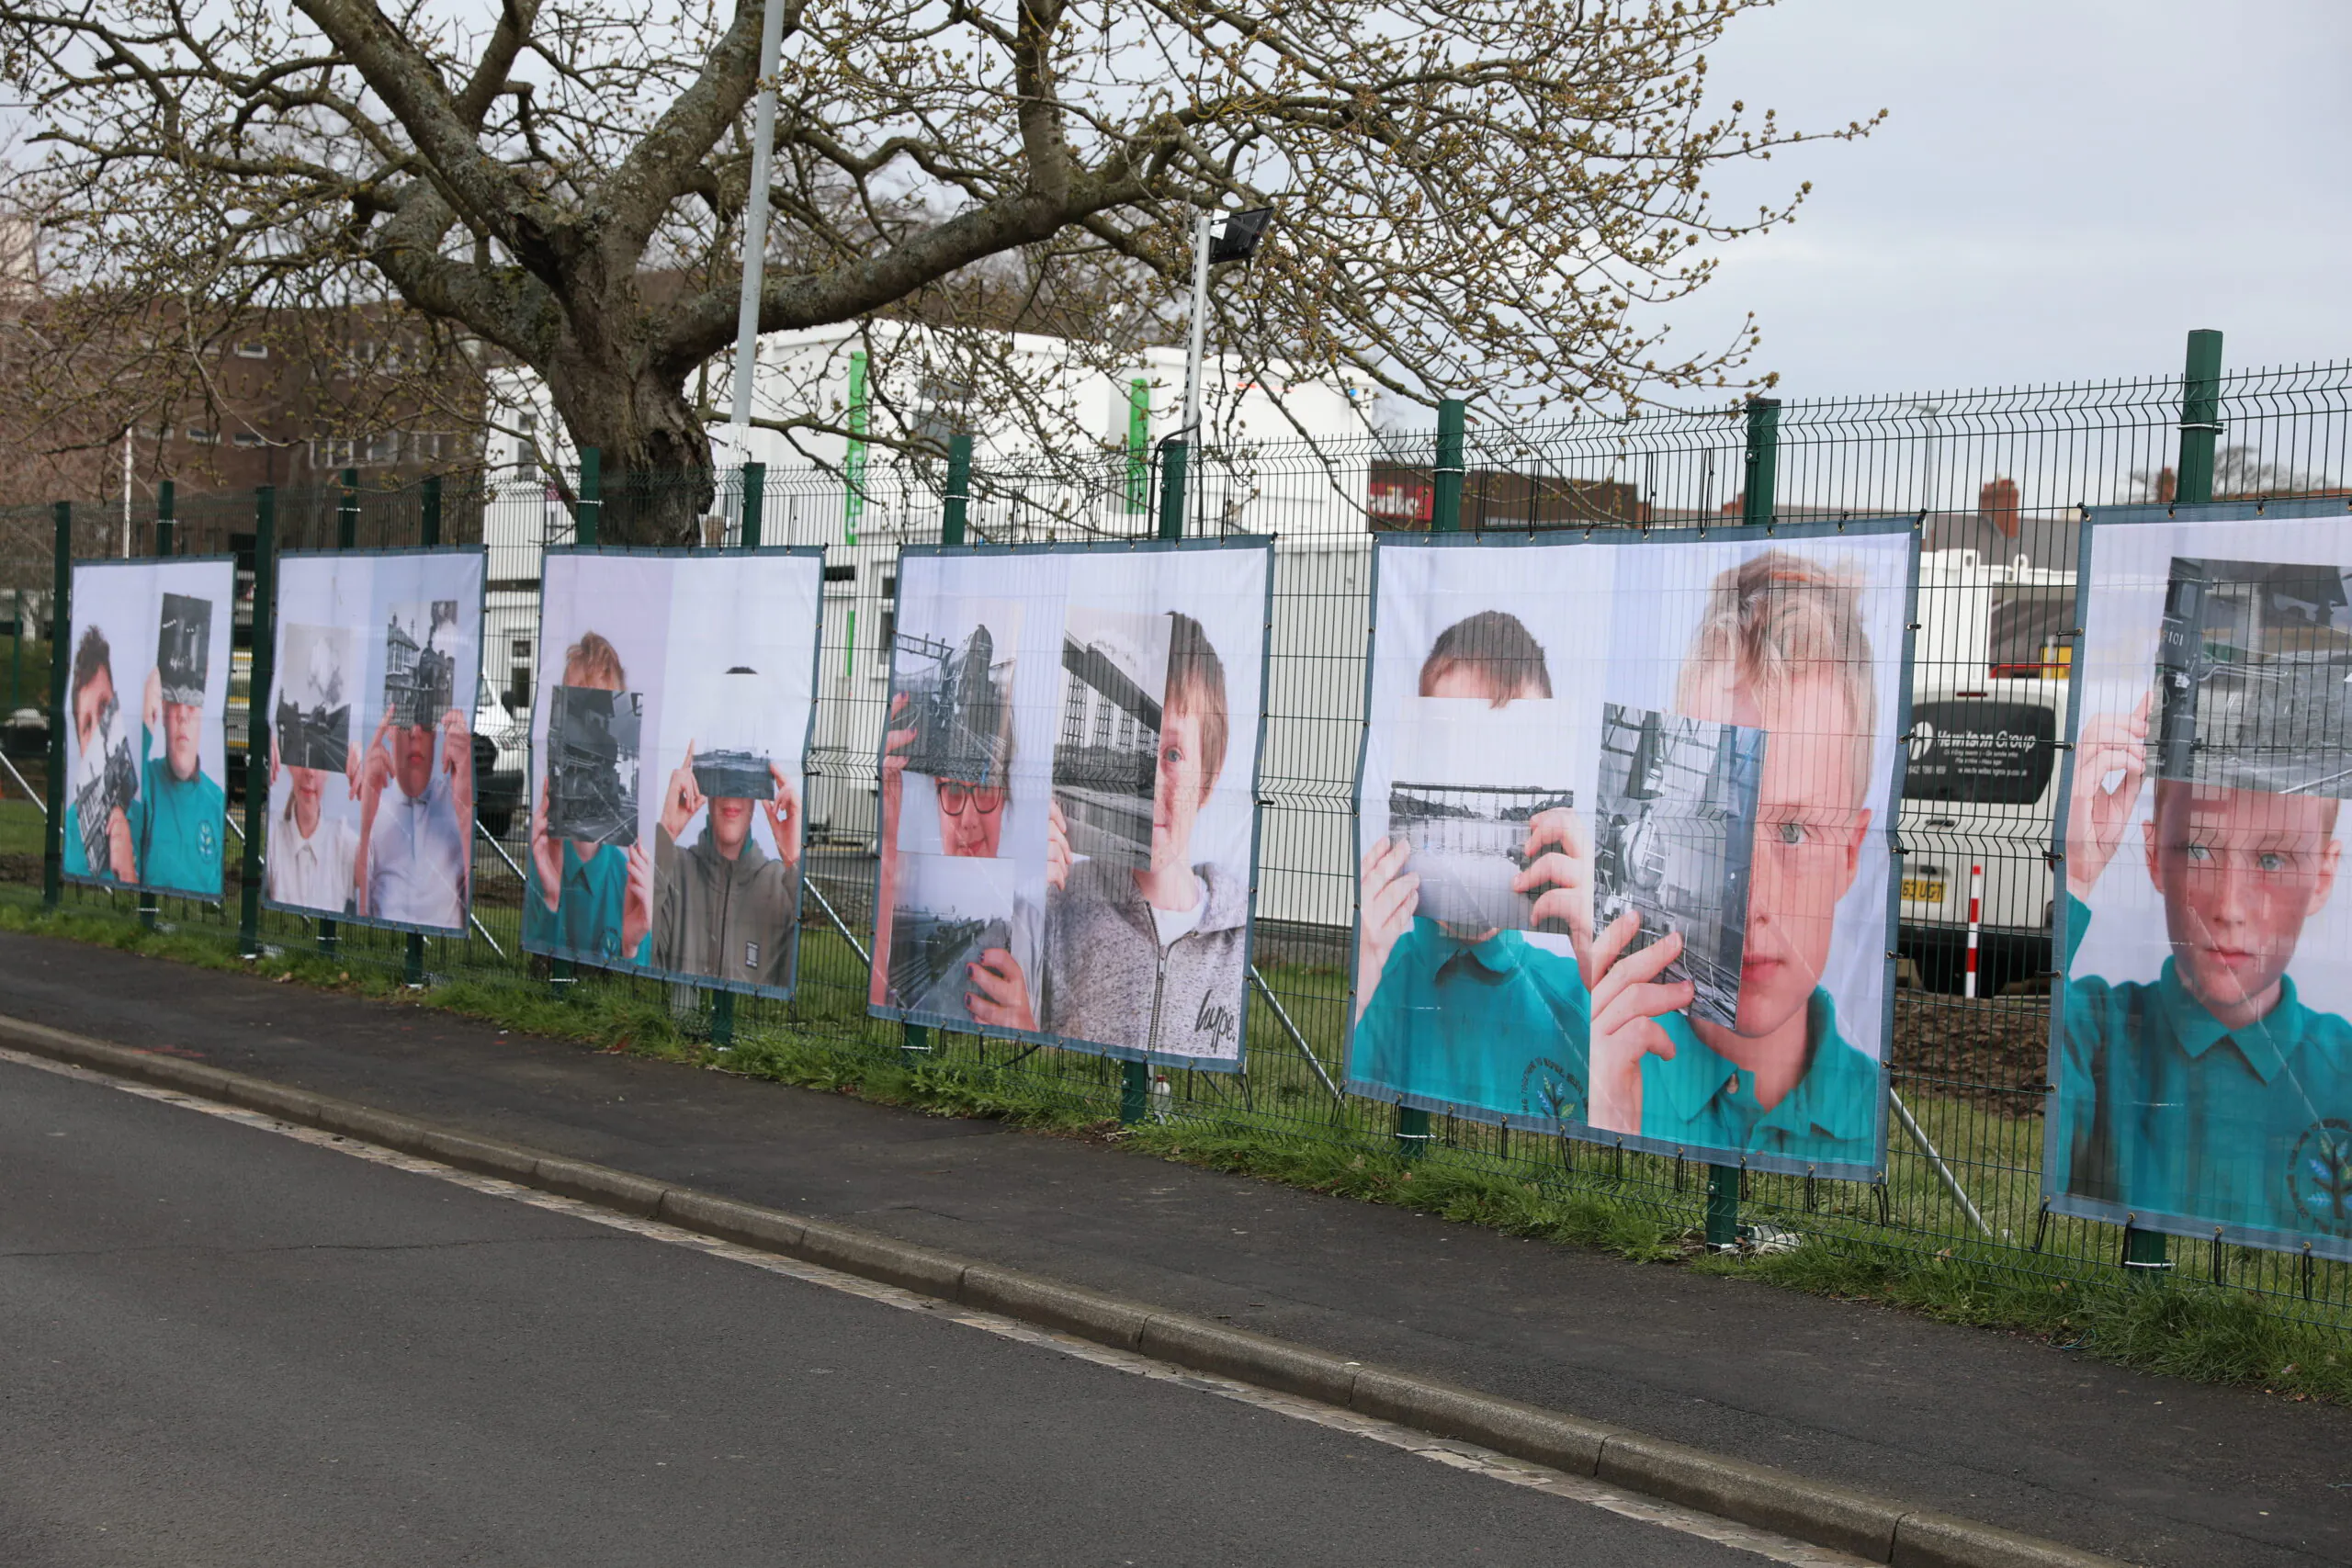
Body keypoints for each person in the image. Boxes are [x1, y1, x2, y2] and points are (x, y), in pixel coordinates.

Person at [1571, 550, 1884, 1165]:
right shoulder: (1573, 1048)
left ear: (1850, 853)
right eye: (1718, 827)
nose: (1753, 901)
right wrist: (1609, 1119)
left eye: (1793, 832)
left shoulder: (1872, 1111)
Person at [2052, 686, 2352, 1237]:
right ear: (2153, 856)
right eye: (2198, 849)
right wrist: (2073, 874)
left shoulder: (2346, 1071)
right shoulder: (2089, 1031)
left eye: (2272, 858)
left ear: (2324, 875)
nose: (2230, 908)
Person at [1351, 611, 1593, 1116]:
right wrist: (1365, 975)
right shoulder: (1376, 982)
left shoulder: (1579, 997)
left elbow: (1637, 1146)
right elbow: (1339, 1122)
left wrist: (1605, 975)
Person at [977, 613, 1248, 1057]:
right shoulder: (1058, 904)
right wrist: (1016, 886)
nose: (1151, 782)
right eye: (1137, 748)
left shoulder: (1237, 939)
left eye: (1173, 754)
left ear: (1209, 779)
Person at [868, 635, 1039, 1020]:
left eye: (988, 792)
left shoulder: (1036, 930)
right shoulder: (907, 892)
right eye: (954, 791)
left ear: (1008, 799)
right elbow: (878, 1003)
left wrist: (1028, 1030)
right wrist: (890, 834)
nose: (968, 820)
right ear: (934, 793)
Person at [526, 631, 652, 964]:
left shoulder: (630, 882)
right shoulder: (540, 862)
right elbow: (534, 984)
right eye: (576, 708)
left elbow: (633, 1000)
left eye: (601, 712)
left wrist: (630, 947)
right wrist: (551, 899)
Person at [650, 739, 802, 987]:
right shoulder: (674, 869)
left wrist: (794, 861)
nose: (732, 795)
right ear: (706, 788)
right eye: (722, 778)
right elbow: (637, 953)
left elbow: (809, 982)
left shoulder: (780, 885)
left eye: (742, 782)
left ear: (756, 794)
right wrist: (665, 835)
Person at [356, 702, 472, 928]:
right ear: (390, 729)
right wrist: (365, 824)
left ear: (437, 734)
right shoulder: (375, 803)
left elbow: (473, 908)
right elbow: (357, 917)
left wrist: (466, 813)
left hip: (444, 950)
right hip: (385, 946)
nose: (416, 733)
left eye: (425, 723)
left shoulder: (454, 800)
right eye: (406, 721)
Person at [131, 641, 228, 897]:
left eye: (193, 705)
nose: (183, 717)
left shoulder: (215, 801)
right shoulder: (143, 781)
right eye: (175, 704)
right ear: (162, 712)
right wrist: (143, 724)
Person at [62, 626, 137, 883]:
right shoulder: (72, 827)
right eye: (86, 725)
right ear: (79, 745)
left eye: (105, 707)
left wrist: (129, 874)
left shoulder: (145, 816)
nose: (98, 733)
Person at [266, 732, 359, 913]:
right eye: (301, 757)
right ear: (290, 766)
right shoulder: (272, 836)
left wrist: (371, 783)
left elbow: (380, 873)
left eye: (319, 760)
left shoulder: (343, 842)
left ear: (328, 772)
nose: (309, 772)